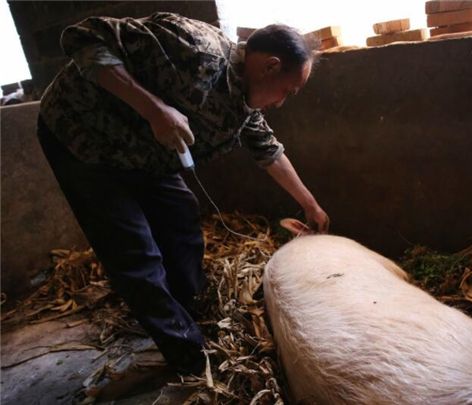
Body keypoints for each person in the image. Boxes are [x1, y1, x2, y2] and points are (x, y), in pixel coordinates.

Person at [37, 12, 329, 375]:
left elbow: (267, 150)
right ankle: (191, 359)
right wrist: (153, 108)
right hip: (83, 139)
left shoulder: (242, 102)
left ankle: (195, 315)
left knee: (182, 222)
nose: (282, 102)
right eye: (288, 91)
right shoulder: (194, 46)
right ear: (270, 67)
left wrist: (310, 205)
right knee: (135, 252)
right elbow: (83, 38)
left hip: (146, 154)